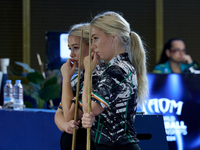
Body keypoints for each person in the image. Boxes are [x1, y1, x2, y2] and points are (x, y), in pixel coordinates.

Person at [81, 11, 148, 150]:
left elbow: (89, 108)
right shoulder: (115, 68)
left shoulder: (117, 71)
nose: (93, 46)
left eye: (95, 38)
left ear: (113, 37)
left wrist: (88, 71)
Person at [54, 23, 103, 150]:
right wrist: (66, 126)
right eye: (70, 48)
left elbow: (70, 114)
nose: (71, 54)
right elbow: (59, 114)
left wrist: (65, 79)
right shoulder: (77, 77)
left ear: (92, 47)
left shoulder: (99, 76)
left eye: (75, 48)